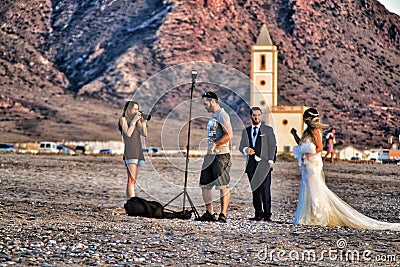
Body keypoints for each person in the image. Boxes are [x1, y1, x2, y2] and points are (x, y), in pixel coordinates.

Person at [290, 108, 400, 231]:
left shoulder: (315, 131)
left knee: (315, 188)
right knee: (308, 188)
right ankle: (311, 214)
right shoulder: (308, 131)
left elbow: (320, 147)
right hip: (307, 164)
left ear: (307, 118)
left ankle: (318, 215)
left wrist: (310, 155)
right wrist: (294, 135)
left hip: (313, 164)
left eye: (304, 117)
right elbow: (301, 144)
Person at [195, 91, 233, 223]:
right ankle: (209, 213)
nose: (204, 106)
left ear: (212, 101)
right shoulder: (213, 117)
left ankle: (223, 214)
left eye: (205, 103)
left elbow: (229, 135)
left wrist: (215, 144)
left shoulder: (222, 115)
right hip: (209, 156)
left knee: (223, 185)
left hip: (221, 156)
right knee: (205, 185)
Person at [239, 107, 277, 221]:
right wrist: (246, 150)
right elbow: (241, 146)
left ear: (261, 116)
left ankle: (267, 215)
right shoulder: (246, 131)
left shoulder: (268, 130)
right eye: (254, 115)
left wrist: (271, 161)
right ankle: (258, 213)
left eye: (259, 115)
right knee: (255, 190)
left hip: (264, 164)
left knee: (265, 190)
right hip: (251, 165)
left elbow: (273, 146)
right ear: (250, 116)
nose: (256, 117)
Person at [118, 101, 148, 200]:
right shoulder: (123, 120)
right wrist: (134, 121)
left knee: (134, 180)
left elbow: (144, 134)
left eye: (137, 109)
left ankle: (130, 201)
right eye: (135, 109)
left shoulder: (136, 121)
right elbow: (128, 134)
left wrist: (143, 122)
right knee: (131, 180)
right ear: (128, 109)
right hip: (130, 152)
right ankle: (132, 202)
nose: (136, 111)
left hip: (139, 152)